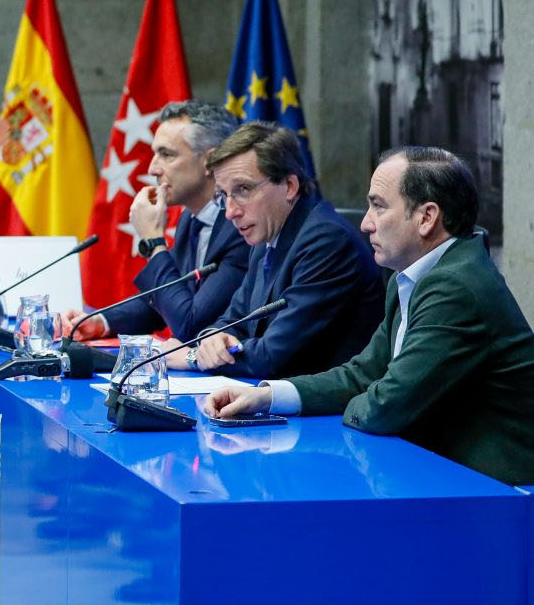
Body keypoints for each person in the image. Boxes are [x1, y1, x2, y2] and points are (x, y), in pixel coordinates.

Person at [203, 147, 534, 485]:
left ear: (426, 217)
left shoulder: (454, 287)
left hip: (499, 492)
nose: (365, 223)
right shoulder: (411, 276)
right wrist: (267, 396)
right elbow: (364, 374)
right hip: (443, 475)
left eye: (378, 206)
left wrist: (360, 399)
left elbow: (386, 407)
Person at [164, 122, 383, 377]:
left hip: (330, 410)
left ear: (289, 186)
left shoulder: (326, 242)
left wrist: (192, 357)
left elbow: (274, 356)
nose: (231, 211)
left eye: (243, 190)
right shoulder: (267, 236)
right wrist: (212, 339)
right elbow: (234, 320)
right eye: (223, 196)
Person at [58, 100, 248, 341]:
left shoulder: (240, 226)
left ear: (210, 162)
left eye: (167, 155)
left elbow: (191, 325)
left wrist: (154, 242)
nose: (152, 169)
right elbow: (164, 299)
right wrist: (101, 321)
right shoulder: (191, 217)